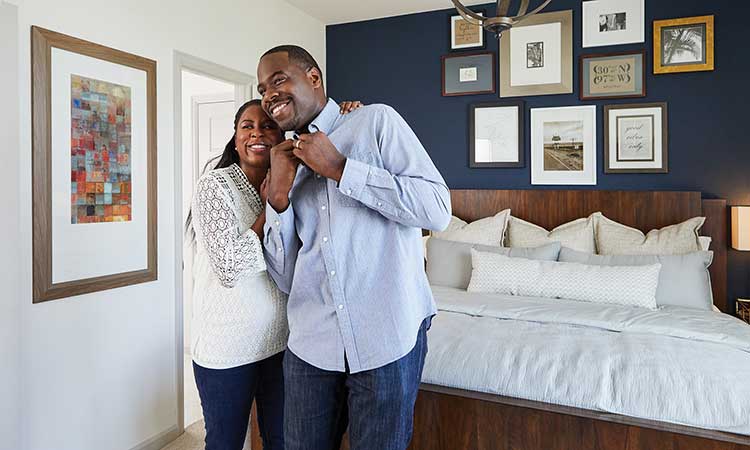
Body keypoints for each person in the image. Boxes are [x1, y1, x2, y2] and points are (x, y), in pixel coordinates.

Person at [258, 45, 451, 450]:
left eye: (278, 81)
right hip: (311, 345)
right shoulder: (282, 163)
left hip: (387, 337)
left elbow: (437, 210)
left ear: (314, 78)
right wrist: (278, 201)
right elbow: (289, 276)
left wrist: (342, 169)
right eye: (262, 90)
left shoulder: (374, 121)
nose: (269, 96)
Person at [186, 98, 362, 450]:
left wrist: (347, 114)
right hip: (227, 349)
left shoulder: (297, 183)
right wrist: (271, 207)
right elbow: (230, 268)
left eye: (268, 126)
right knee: (225, 442)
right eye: (247, 127)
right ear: (235, 139)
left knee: (281, 440)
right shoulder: (214, 187)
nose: (257, 133)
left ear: (282, 135)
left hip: (284, 342)